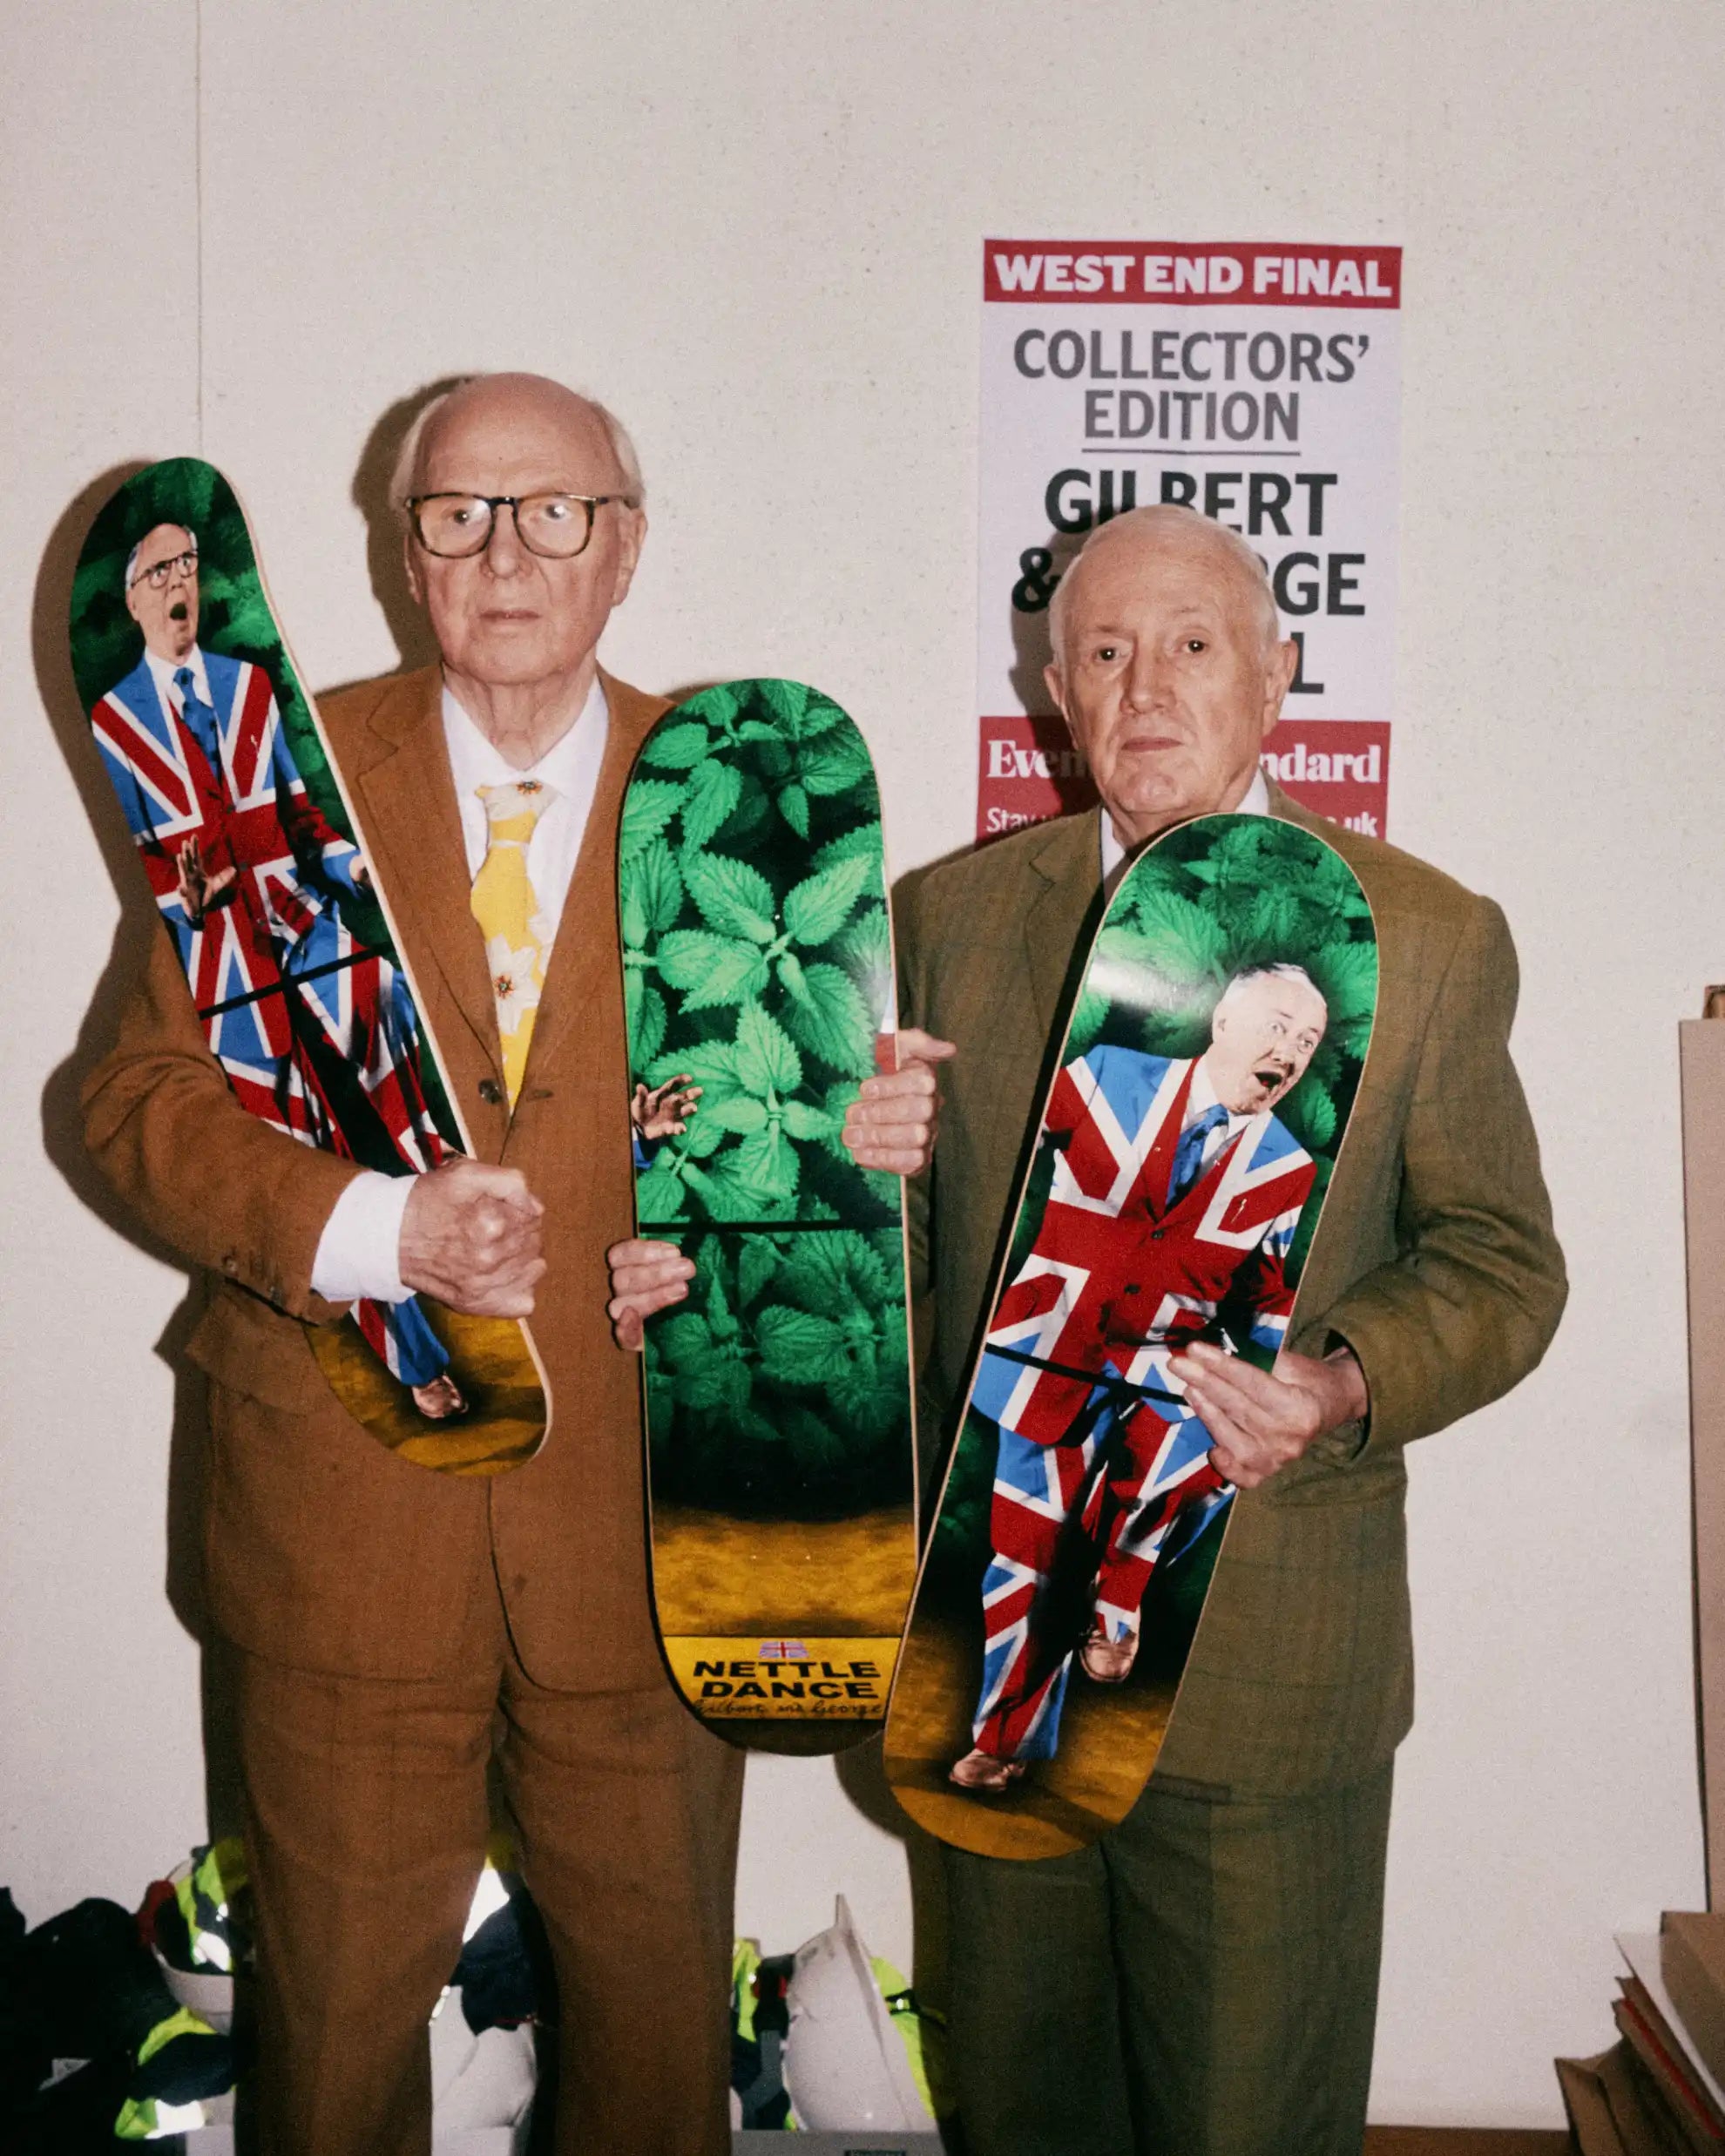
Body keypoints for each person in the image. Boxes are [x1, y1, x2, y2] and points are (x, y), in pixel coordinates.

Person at [81, 373, 942, 2156]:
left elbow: (786, 1168)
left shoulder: (751, 797)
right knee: (329, 2037)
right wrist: (371, 1226)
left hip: (646, 1521)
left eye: (551, 510)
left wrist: (841, 1163)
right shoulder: (272, 779)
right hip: (342, 1504)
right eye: (456, 512)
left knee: (650, 2043)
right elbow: (130, 1098)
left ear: (623, 547)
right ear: (405, 555)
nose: (503, 550)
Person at [895, 504, 1566, 2156]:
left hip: (1273, 1680)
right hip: (1005, 1655)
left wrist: (1340, 1382)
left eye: (1194, 646)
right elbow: (909, 1275)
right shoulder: (948, 921)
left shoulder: (1425, 934)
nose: (1146, 689)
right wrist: (844, 1175)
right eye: (1104, 652)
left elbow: (1503, 1262)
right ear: (1049, 687)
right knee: (1020, 2116)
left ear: (1276, 679)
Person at [90, 524, 462, 1416]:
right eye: (159, 572)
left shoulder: (250, 687)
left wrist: (348, 865)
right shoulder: (116, 721)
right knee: (311, 1144)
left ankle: (445, 1173)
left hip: (301, 919)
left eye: (188, 566)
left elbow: (299, 814)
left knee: (387, 1003)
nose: (179, 584)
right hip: (225, 958)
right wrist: (189, 899)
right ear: (135, 597)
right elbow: (162, 873)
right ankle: (411, 1360)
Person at [953, 963, 1329, 1790]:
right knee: (1028, 1560)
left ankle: (1120, 1591)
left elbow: (1264, 1289)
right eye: (1276, 1026)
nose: (1290, 1051)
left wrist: (1284, 1368)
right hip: (1043, 1353)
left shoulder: (1287, 1169)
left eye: (1307, 1042)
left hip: (1167, 1367)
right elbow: (982, 1140)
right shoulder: (1105, 1077)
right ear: (1222, 1020)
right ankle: (1004, 1741)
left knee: (1200, 1450)